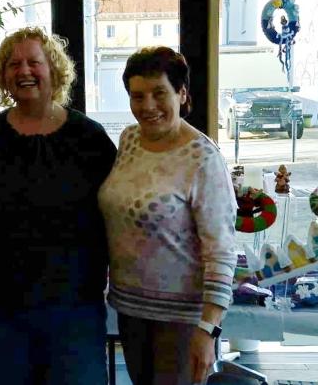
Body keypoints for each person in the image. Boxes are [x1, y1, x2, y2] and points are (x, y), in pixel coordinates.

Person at [0, 26, 117, 384]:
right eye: (13, 64)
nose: (23, 71)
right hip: (1, 311)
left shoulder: (89, 139)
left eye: (34, 62)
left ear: (54, 70)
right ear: (4, 77)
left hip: (75, 310)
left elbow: (121, 215)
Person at [98, 46, 238, 385]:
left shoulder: (202, 157)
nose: (148, 106)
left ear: (182, 93)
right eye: (137, 96)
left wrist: (207, 330)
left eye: (159, 93)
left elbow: (221, 250)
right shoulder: (129, 139)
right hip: (130, 310)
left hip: (181, 320)